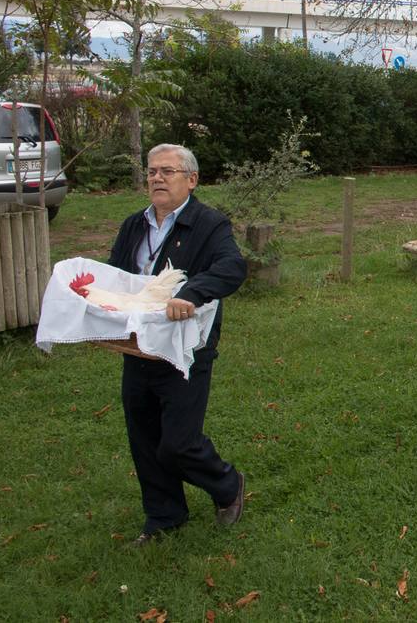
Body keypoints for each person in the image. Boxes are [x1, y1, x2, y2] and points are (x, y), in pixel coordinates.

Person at [110, 144, 248, 546]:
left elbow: (231, 267)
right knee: (145, 438)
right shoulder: (134, 225)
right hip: (137, 346)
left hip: (186, 348)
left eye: (167, 171)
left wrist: (192, 293)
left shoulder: (210, 224)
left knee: (179, 443)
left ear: (191, 180)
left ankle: (226, 484)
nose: (156, 178)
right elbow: (118, 276)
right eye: (152, 171)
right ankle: (164, 516)